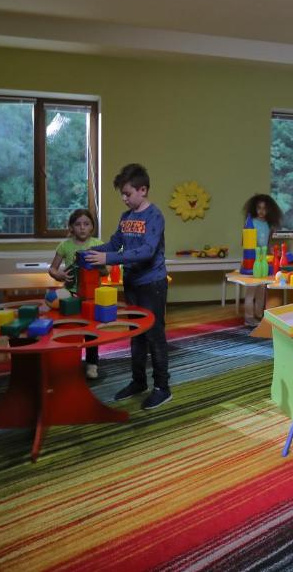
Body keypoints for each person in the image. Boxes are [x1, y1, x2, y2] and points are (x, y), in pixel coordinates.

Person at [84, 163, 172, 410]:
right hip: (132, 284)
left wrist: (108, 259)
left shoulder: (155, 216)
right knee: (137, 334)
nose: (124, 198)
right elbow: (114, 245)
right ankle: (138, 381)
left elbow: (146, 251)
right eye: (122, 194)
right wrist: (89, 252)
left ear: (143, 190)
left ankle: (162, 388)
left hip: (152, 284)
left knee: (154, 336)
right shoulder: (126, 218)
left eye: (127, 193)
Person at [48, 208, 101, 378]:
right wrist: (59, 275)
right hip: (71, 294)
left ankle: (92, 363)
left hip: (92, 295)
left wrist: (101, 266)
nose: (82, 227)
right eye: (78, 224)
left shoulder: (98, 244)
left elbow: (106, 271)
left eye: (86, 224)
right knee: (71, 329)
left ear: (92, 227)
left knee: (91, 331)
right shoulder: (65, 245)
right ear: (71, 227)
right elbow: (52, 269)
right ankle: (70, 361)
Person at [241, 193, 283, 326]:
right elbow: (245, 242)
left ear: (269, 210)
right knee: (251, 289)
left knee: (262, 290)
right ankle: (248, 317)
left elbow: (268, 244)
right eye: (259, 208)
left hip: (263, 260)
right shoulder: (251, 222)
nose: (261, 211)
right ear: (254, 208)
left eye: (264, 208)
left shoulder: (269, 225)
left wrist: (274, 252)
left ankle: (259, 314)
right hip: (252, 260)